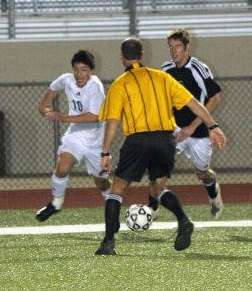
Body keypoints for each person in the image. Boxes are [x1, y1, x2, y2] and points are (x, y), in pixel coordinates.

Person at [96, 36, 226, 255]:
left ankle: (108, 242)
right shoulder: (161, 77)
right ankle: (183, 220)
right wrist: (213, 125)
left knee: (117, 189)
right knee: (157, 188)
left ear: (121, 56)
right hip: (165, 139)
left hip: (138, 141)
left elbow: (112, 122)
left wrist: (105, 151)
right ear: (142, 55)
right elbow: (194, 103)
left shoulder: (120, 84)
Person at [147, 28, 223, 220]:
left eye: (178, 46)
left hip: (198, 132)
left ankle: (213, 191)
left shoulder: (198, 68)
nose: (174, 51)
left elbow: (214, 100)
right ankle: (151, 210)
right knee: (158, 170)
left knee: (202, 173)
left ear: (187, 46)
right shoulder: (165, 69)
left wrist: (193, 127)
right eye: (170, 47)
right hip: (174, 130)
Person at [36, 50, 111, 222]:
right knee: (62, 167)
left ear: (91, 71)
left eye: (84, 69)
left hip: (96, 140)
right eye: (76, 69)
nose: (79, 74)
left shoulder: (95, 86)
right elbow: (50, 93)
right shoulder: (66, 79)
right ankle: (56, 203)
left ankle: (111, 203)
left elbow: (94, 117)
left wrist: (62, 117)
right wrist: (44, 108)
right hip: (76, 134)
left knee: (101, 183)